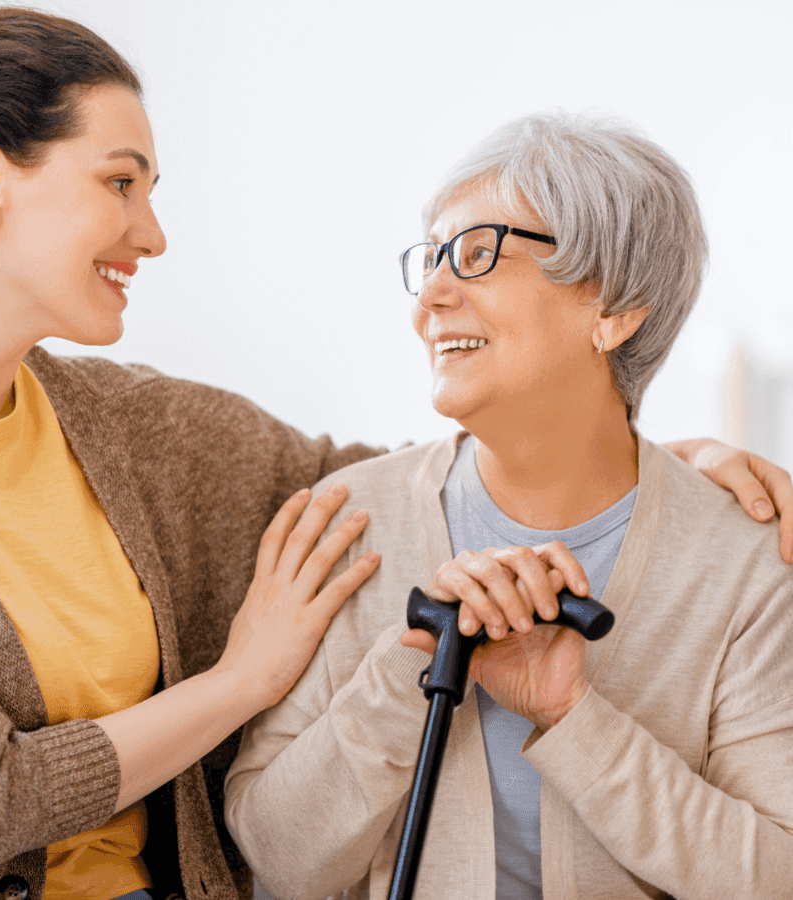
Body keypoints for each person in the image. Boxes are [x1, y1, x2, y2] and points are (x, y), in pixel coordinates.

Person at [0, 10, 787, 900]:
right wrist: (242, 680)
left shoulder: (134, 425)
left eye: (475, 255)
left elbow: (420, 477)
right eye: (120, 183)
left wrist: (667, 457)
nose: (154, 232)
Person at [224, 114, 793, 899]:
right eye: (431, 259)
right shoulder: (348, 521)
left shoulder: (746, 562)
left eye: (479, 252)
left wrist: (572, 714)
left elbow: (775, 875)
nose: (431, 295)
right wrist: (408, 670)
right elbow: (276, 862)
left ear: (616, 309)